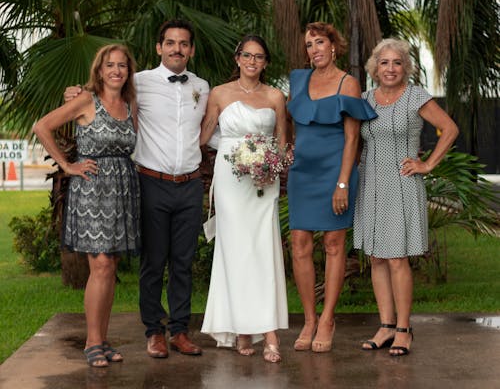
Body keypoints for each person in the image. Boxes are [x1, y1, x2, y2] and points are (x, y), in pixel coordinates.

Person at [65, 20, 210, 358]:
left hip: (190, 184)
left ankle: (179, 330)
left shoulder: (202, 87)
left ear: (190, 49)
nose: (177, 48)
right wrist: (73, 93)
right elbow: (100, 95)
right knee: (153, 261)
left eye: (184, 43)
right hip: (150, 182)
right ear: (159, 47)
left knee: (183, 262)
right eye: (170, 42)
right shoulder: (137, 83)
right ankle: (153, 331)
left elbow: (210, 125)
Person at [33, 44, 140, 367]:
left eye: (122, 65)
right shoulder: (85, 100)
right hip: (93, 191)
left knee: (110, 268)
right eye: (110, 65)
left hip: (121, 190)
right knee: (101, 265)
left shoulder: (129, 103)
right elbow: (42, 126)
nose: (116, 71)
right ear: (99, 69)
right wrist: (67, 165)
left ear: (128, 71)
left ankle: (103, 339)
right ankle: (93, 342)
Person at [353, 38, 459, 356]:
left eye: (396, 62)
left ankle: (403, 328)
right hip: (369, 184)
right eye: (384, 62)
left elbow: (450, 129)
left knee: (397, 257)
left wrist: (426, 164)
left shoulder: (416, 96)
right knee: (376, 257)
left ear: (406, 68)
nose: (390, 68)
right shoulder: (364, 99)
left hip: (401, 184)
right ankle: (385, 326)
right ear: (374, 67)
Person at [286, 22, 377, 353]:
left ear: (333, 45)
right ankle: (309, 319)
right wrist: (287, 146)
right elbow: (289, 121)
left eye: (319, 42)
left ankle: (327, 319)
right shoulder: (298, 80)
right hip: (302, 172)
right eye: (309, 45)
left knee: (334, 244)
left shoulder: (347, 83)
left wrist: (343, 182)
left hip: (335, 172)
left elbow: (353, 137)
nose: (314, 49)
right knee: (299, 244)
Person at [199, 35, 289, 363]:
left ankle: (270, 333)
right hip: (230, 179)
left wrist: (272, 167)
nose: (252, 62)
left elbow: (281, 140)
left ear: (265, 62)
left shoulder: (276, 96)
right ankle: (241, 330)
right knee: (235, 251)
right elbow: (205, 133)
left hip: (263, 182)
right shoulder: (219, 93)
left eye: (259, 57)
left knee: (263, 250)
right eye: (247, 56)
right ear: (237, 58)